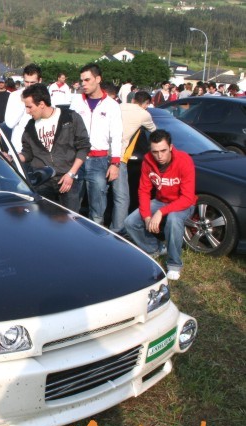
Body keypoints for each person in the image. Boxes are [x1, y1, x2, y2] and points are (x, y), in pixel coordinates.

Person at [124, 130, 196, 281]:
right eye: (155, 152)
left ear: (170, 147)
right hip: (160, 201)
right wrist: (147, 216)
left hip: (183, 202)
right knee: (130, 222)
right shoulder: (148, 161)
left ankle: (174, 264)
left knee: (174, 220)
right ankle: (156, 248)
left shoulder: (184, 160)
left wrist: (160, 212)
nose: (159, 156)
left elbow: (188, 197)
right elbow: (143, 191)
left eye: (163, 150)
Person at [19, 84, 90, 212]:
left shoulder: (70, 117)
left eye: (29, 107)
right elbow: (27, 152)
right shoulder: (30, 126)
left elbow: (83, 147)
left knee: (70, 222)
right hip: (43, 183)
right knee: (44, 223)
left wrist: (71, 174)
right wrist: (13, 157)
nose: (27, 111)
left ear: (41, 104)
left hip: (68, 181)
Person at [70, 63, 122, 225]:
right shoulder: (77, 101)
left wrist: (115, 163)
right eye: (81, 80)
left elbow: (116, 135)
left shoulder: (112, 105)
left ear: (98, 79)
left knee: (97, 209)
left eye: (87, 80)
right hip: (76, 159)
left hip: (99, 161)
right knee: (71, 207)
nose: (83, 84)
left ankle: (96, 244)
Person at [111, 91, 156, 234]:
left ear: (134, 99)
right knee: (122, 198)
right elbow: (156, 134)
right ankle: (118, 232)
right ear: (146, 104)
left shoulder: (118, 106)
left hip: (100, 153)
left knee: (100, 193)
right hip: (119, 158)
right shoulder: (144, 114)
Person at [4, 63, 42, 153]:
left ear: (40, 81)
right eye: (26, 82)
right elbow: (10, 123)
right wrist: (23, 102)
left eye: (32, 82)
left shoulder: (45, 98)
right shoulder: (14, 96)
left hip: (39, 153)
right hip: (18, 150)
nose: (29, 85)